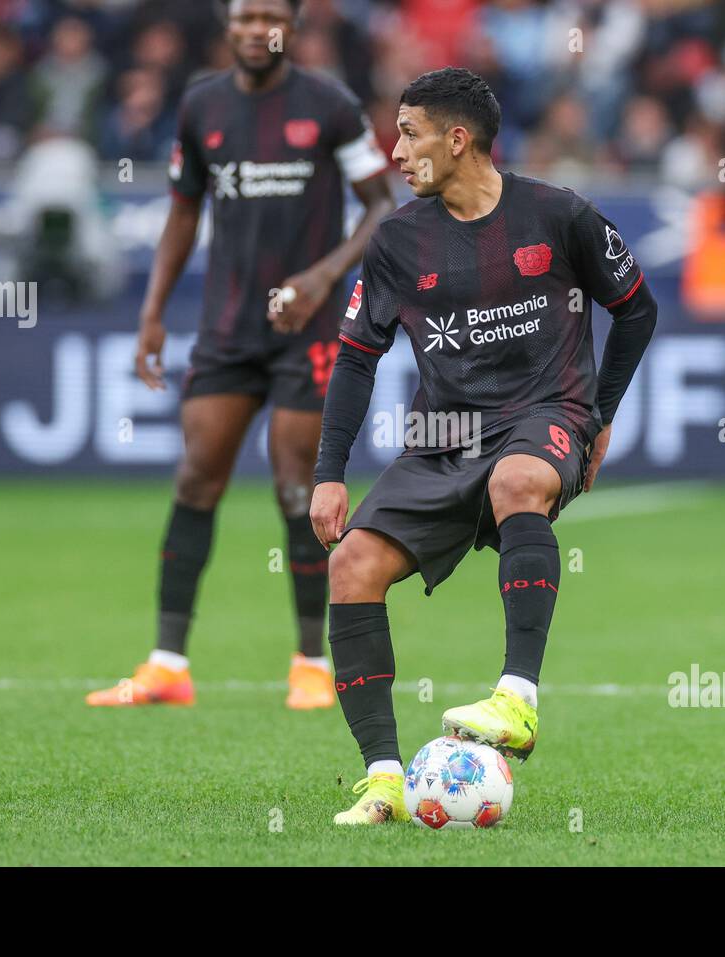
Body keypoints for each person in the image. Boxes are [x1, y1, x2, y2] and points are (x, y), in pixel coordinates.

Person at [309, 67, 658, 824]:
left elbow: (637, 309)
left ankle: (517, 700)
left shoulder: (560, 215)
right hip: (444, 436)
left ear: (457, 139)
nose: (396, 151)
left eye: (409, 134)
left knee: (517, 480)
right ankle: (384, 780)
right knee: (351, 565)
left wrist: (597, 417)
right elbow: (356, 358)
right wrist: (329, 473)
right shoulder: (397, 240)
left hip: (545, 411)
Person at [87, 0, 394, 711]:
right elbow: (183, 210)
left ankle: (310, 662)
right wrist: (152, 312)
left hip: (308, 330)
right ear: (227, 26)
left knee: (294, 485)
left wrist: (322, 277)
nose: (257, 29)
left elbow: (381, 204)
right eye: (244, 17)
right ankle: (168, 664)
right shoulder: (202, 105)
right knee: (197, 477)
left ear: (293, 24)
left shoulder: (329, 105)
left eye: (269, 16)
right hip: (227, 329)